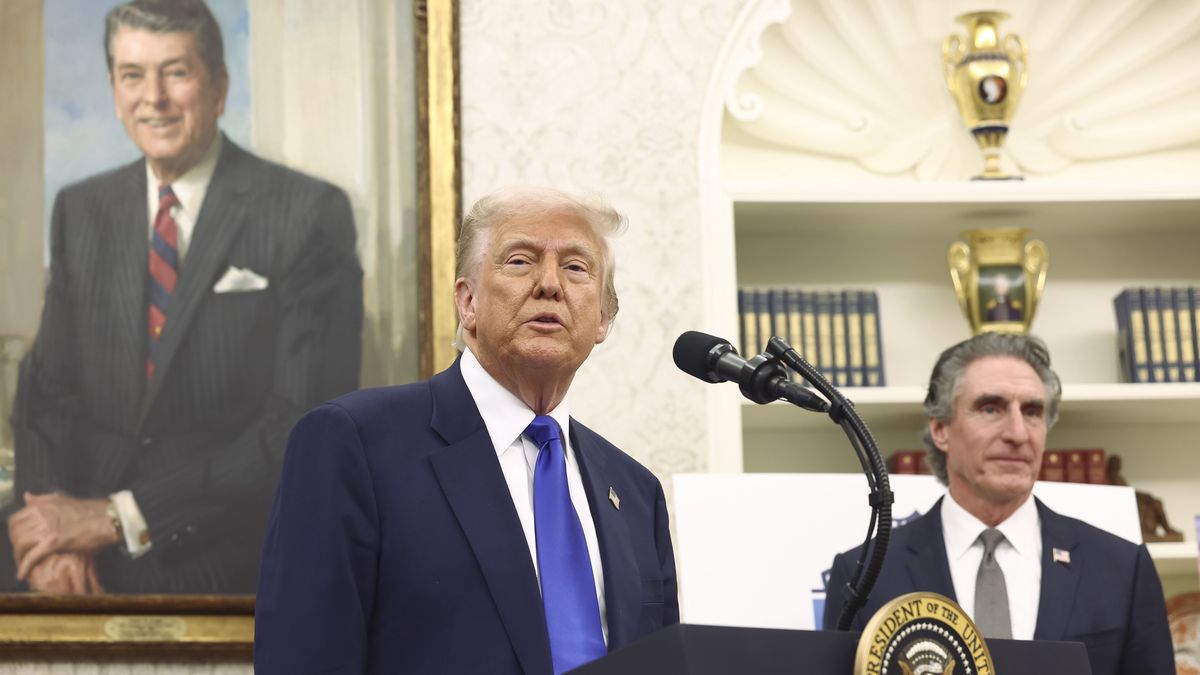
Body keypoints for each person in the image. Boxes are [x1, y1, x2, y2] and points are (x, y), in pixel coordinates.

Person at [3, 0, 362, 594]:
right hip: (73, 535)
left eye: (176, 71)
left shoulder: (306, 213)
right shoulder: (81, 210)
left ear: (219, 86)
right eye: (132, 75)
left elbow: (301, 425)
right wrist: (49, 534)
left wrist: (117, 517)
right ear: (114, 89)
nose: (154, 98)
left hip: (217, 540)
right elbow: (44, 394)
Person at [254, 187, 678, 674]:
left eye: (576, 268)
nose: (549, 284)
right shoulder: (353, 444)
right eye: (520, 261)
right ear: (468, 301)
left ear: (603, 318)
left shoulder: (635, 492)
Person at [823, 333, 1175, 675]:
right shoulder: (864, 573)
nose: (1018, 434)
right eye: (991, 408)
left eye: (1033, 411)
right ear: (940, 429)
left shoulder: (1123, 569)